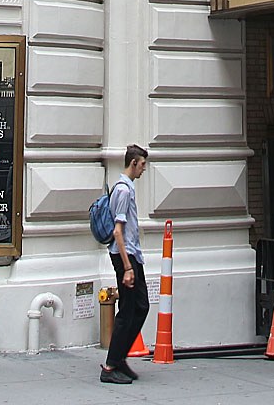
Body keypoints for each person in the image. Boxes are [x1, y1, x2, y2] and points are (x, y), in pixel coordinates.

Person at [100, 144, 150, 386]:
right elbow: (118, 233)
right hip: (125, 257)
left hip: (131, 256)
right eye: (142, 165)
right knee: (128, 311)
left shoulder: (126, 188)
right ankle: (110, 366)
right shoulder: (123, 191)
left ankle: (119, 359)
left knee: (141, 307)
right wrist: (128, 268)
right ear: (133, 163)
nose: (143, 169)